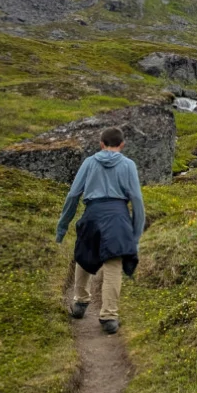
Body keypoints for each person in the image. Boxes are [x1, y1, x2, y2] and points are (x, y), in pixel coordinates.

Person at [55, 127, 145, 335]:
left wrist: (62, 227)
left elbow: (73, 195)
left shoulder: (89, 162)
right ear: (122, 145)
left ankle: (80, 303)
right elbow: (137, 200)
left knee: (84, 256)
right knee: (113, 264)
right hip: (118, 216)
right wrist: (135, 235)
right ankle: (109, 316)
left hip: (93, 213)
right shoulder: (128, 165)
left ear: (101, 143)